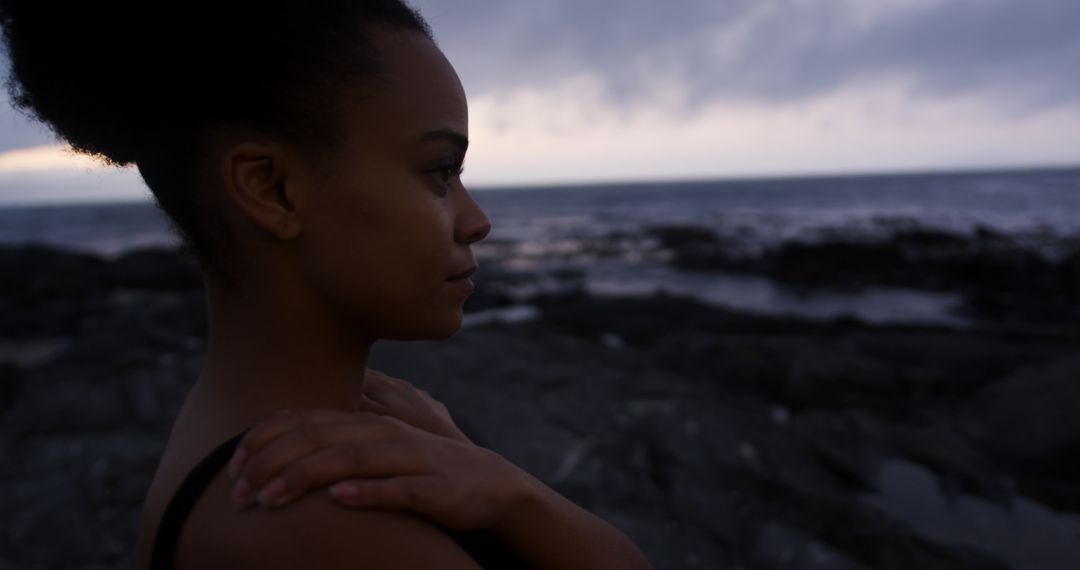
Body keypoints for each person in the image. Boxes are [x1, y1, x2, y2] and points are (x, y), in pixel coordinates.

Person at [0, 1, 652, 569]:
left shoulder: (263, 445)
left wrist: (483, 474)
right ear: (272, 189)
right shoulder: (316, 520)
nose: (476, 221)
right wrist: (515, 493)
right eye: (438, 171)